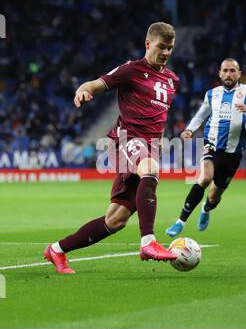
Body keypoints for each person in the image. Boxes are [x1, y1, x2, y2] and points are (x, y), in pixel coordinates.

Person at [44, 22, 179, 274]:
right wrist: (83, 91)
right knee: (150, 169)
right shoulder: (131, 69)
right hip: (126, 140)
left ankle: (57, 250)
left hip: (148, 146)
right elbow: (94, 83)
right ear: (148, 44)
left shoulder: (172, 79)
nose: (165, 53)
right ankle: (148, 242)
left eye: (170, 48)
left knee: (115, 220)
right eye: (161, 47)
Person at [166, 58, 246, 237]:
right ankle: (180, 222)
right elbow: (201, 115)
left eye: (232, 71)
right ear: (219, 73)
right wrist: (189, 130)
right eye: (225, 70)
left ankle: (206, 209)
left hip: (233, 153)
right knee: (205, 178)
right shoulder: (212, 94)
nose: (228, 74)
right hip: (212, 144)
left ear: (239, 74)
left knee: (214, 196)